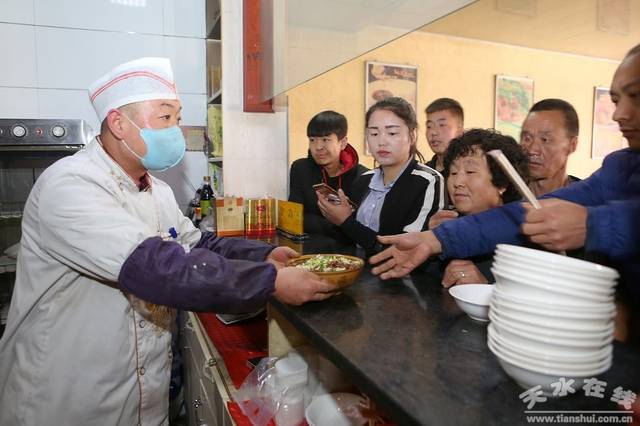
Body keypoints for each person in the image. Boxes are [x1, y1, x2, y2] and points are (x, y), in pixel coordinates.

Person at [0, 57, 334, 426]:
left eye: (177, 117)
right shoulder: (70, 185)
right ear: (118, 124)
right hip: (68, 398)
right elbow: (154, 266)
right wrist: (269, 281)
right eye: (165, 118)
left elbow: (195, 243)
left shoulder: (155, 190)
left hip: (141, 396)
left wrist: (265, 253)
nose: (176, 129)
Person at [369, 44, 640, 339]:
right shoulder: (621, 170)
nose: (619, 114)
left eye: (635, 96)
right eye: (615, 100)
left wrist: (594, 224)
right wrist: (433, 239)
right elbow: (516, 218)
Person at [317, 97, 444, 255]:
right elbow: (347, 240)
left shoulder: (428, 181)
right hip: (359, 273)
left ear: (412, 136)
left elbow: (405, 251)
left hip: (402, 278)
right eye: (374, 133)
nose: (382, 141)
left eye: (392, 133)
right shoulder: (364, 179)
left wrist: (345, 221)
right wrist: (335, 217)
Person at [429, 129, 529, 287]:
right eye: (453, 172)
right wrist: (433, 245)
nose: (457, 182)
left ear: (502, 182)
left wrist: (486, 285)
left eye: (470, 171)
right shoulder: (448, 223)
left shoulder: (525, 231)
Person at [289, 110, 368, 236]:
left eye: (325, 140)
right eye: (312, 140)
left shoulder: (363, 177)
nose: (318, 147)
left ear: (342, 143)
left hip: (348, 253)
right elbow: (295, 218)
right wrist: (338, 223)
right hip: (308, 249)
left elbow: (362, 227)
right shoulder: (300, 169)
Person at [521, 98, 581, 197]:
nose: (531, 150)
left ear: (572, 145)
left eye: (545, 139)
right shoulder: (502, 201)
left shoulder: (586, 202)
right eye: (527, 139)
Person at [425, 98, 465, 173]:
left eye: (442, 125)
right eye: (429, 126)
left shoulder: (469, 172)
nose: (433, 132)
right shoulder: (424, 173)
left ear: (459, 129)